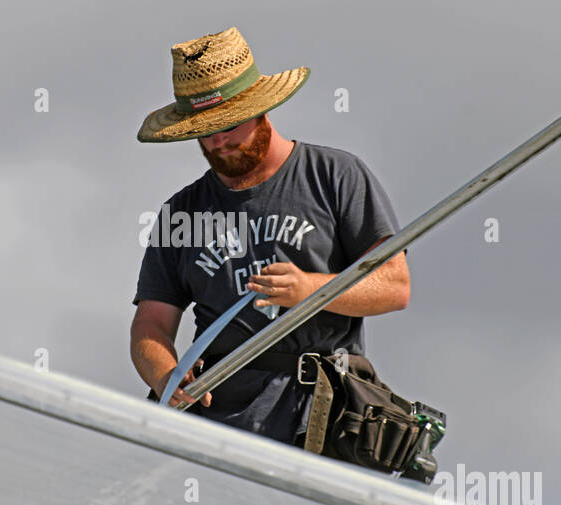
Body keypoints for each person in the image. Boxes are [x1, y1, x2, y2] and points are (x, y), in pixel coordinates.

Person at [130, 26, 410, 446]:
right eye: (205, 130)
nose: (219, 141)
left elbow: (394, 286)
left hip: (319, 418)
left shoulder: (336, 175)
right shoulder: (181, 212)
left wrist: (310, 290)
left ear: (261, 109)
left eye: (229, 125)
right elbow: (150, 325)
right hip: (212, 425)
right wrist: (165, 374)